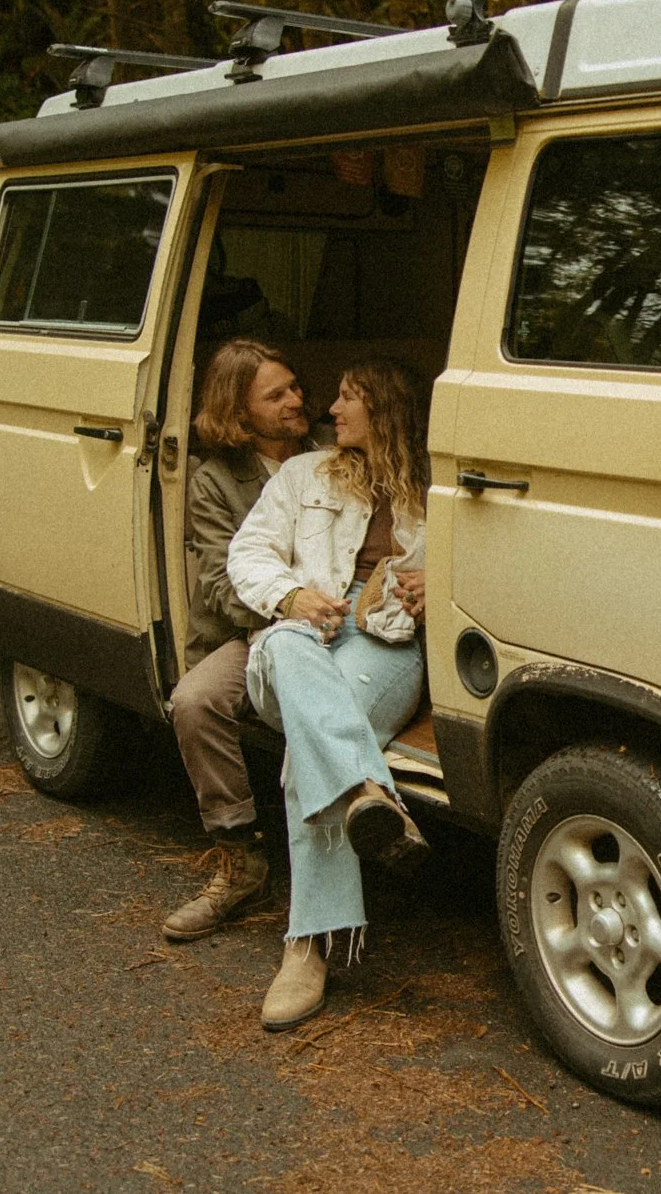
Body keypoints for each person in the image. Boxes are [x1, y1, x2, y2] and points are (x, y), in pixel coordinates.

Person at [226, 359, 431, 1031]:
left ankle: (306, 945)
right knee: (283, 644)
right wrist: (290, 595)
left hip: (386, 639)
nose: (331, 408)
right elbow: (248, 552)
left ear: (383, 407)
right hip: (302, 635)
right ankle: (368, 790)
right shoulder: (302, 474)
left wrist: (443, 587)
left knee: (307, 750)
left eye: (347, 397)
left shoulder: (434, 491)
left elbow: (483, 569)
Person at [160, 339, 311, 942]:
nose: (296, 401)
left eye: (295, 386)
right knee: (195, 702)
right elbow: (223, 584)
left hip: (343, 616)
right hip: (260, 625)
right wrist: (289, 606)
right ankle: (240, 858)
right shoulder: (215, 481)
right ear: (238, 412)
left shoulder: (332, 447)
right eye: (275, 396)